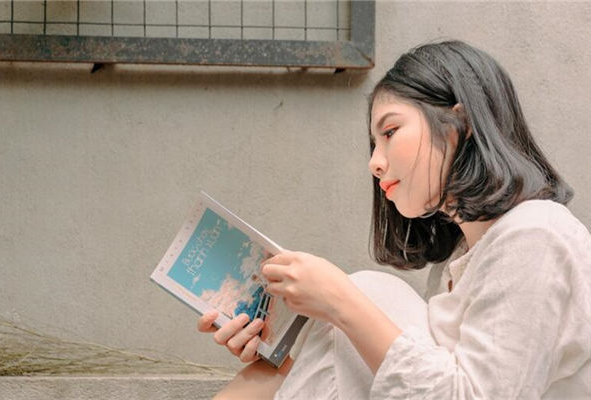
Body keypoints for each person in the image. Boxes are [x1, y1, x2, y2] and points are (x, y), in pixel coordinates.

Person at [198, 40, 591, 399]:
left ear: (461, 124)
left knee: (369, 294)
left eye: (390, 131)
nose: (374, 163)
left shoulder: (536, 234)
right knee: (333, 326)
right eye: (374, 143)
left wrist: (341, 301)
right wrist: (282, 355)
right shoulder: (461, 259)